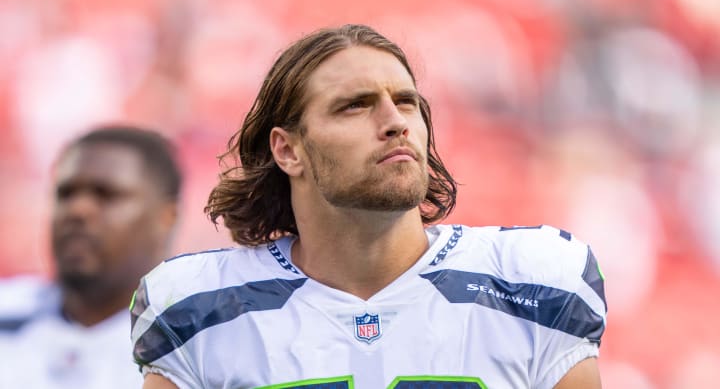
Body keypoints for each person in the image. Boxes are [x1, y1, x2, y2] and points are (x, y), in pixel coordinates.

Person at [132, 24, 607, 389]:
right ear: (288, 150)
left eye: (406, 101)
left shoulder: (534, 285)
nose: (395, 121)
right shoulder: (199, 310)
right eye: (355, 106)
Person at [0, 126, 182, 389]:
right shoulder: (7, 311)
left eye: (106, 195)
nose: (78, 210)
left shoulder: (198, 348)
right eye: (66, 194)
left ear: (167, 217)